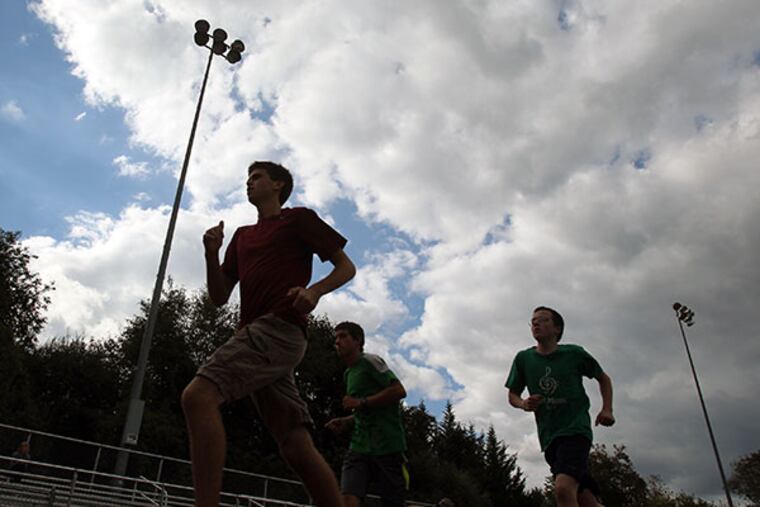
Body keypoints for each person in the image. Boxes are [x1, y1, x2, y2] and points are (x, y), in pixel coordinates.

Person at [181, 161, 356, 507]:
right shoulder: (242, 237)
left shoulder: (298, 219)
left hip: (280, 328)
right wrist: (210, 254)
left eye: (256, 177)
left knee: (197, 396)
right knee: (294, 441)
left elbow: (346, 266)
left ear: (278, 185)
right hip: (256, 337)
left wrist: (315, 291)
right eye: (247, 179)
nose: (249, 183)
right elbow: (218, 298)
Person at [505, 307, 614, 507]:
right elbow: (512, 394)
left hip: (575, 430)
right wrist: (524, 404)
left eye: (543, 320)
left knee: (563, 489)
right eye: (533, 321)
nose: (536, 324)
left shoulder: (574, 354)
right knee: (585, 500)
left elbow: (603, 378)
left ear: (557, 329)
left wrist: (607, 409)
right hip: (549, 438)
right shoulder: (523, 359)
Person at [325, 321, 408, 507]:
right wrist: (346, 421)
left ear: (358, 341)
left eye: (343, 336)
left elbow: (399, 391)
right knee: (348, 498)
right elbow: (365, 412)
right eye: (335, 338)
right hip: (359, 446)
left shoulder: (371, 361)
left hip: (387, 445)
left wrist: (361, 402)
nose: (337, 341)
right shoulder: (348, 374)